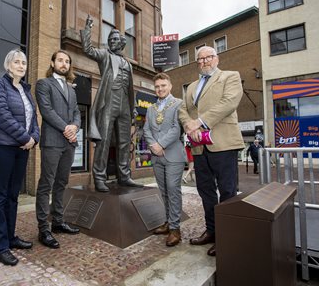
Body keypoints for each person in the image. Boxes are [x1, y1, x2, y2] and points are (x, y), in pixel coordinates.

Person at [178, 46, 244, 256]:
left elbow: (229, 103)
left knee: (227, 191)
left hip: (223, 143)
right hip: (199, 147)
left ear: (217, 58)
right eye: (200, 59)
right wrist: (190, 125)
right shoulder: (191, 87)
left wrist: (200, 122)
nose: (204, 61)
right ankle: (212, 231)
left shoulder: (230, 77)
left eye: (208, 57)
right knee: (205, 191)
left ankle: (228, 236)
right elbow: (183, 110)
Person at [0, 49, 39, 266]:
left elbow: (34, 120)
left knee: (13, 195)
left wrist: (34, 138)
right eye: (16, 62)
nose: (21, 65)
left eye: (24, 63)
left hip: (22, 149)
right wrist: (25, 137)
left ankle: (10, 237)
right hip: (3, 147)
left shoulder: (26, 91)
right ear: (8, 65)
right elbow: (1, 115)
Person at [80, 15, 142, 192]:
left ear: (122, 43)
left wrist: (134, 108)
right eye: (110, 39)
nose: (112, 42)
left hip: (125, 104)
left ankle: (124, 176)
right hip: (109, 101)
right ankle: (99, 177)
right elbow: (88, 49)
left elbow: (131, 88)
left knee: (124, 142)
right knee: (104, 140)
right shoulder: (104, 55)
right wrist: (88, 28)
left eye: (115, 39)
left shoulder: (128, 64)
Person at [35, 50, 81, 249]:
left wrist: (76, 127)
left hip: (68, 143)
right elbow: (46, 111)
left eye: (67, 61)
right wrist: (66, 128)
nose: (64, 64)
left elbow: (77, 113)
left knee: (61, 183)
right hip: (52, 141)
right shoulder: (44, 84)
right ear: (52, 62)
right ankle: (43, 229)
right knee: (47, 183)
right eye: (60, 60)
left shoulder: (71, 89)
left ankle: (58, 222)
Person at [143, 73, 186, 247]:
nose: (160, 89)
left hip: (173, 155)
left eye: (163, 85)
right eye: (157, 86)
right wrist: (154, 145)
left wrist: (160, 144)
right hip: (156, 156)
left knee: (173, 190)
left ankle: (175, 229)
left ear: (170, 86)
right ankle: (168, 222)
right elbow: (146, 129)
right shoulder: (150, 108)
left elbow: (177, 129)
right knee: (164, 192)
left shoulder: (178, 104)